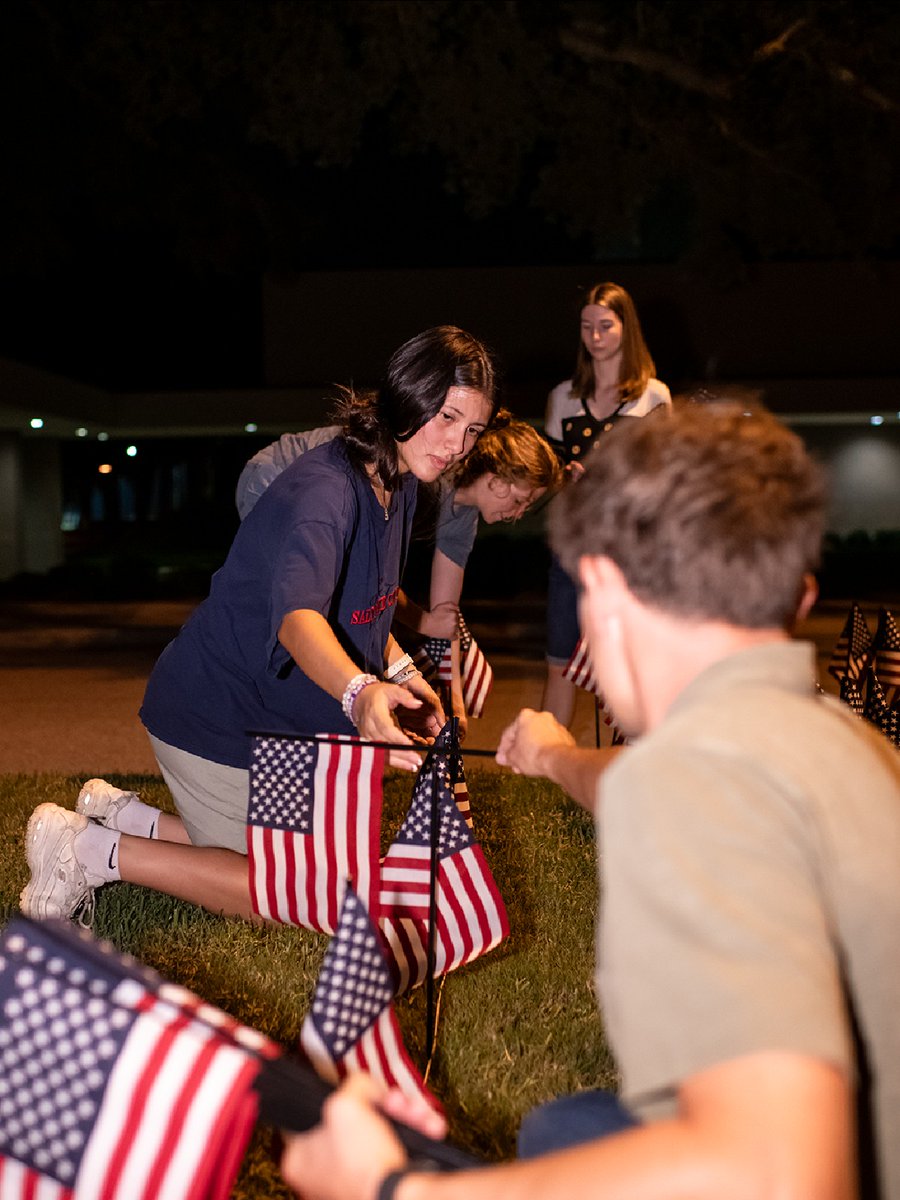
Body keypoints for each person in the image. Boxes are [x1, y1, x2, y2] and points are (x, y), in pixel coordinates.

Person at [278, 400, 900, 1200]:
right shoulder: (852, 745)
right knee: (564, 1129)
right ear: (796, 596)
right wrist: (560, 757)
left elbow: (780, 1173)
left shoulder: (690, 790)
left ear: (603, 587)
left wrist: (395, 1189)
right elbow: (663, 785)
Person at [20, 325, 497, 924]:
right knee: (299, 895)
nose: (457, 444)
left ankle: (128, 818)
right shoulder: (328, 490)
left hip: (278, 719)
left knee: (338, 870)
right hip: (218, 716)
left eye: (472, 429)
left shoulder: (398, 482)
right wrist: (360, 693)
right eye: (448, 417)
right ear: (408, 393)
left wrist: (399, 671)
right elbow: (300, 621)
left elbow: (364, 608)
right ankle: (88, 850)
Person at [236, 413, 561, 738]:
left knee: (335, 608)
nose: (519, 514)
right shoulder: (426, 474)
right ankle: (272, 718)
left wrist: (454, 705)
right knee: (303, 607)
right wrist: (421, 621)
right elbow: (373, 582)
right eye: (521, 500)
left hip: (329, 504)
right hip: (278, 476)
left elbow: (444, 618)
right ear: (495, 477)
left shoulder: (463, 519)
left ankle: (325, 721)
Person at [542, 281, 671, 728]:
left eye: (605, 326)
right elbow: (549, 476)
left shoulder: (653, 396)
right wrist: (567, 478)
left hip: (628, 551)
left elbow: (663, 480)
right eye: (586, 327)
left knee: (630, 665)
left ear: (625, 328)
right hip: (573, 550)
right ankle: (547, 771)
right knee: (560, 658)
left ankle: (632, 767)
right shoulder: (564, 397)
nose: (595, 336)